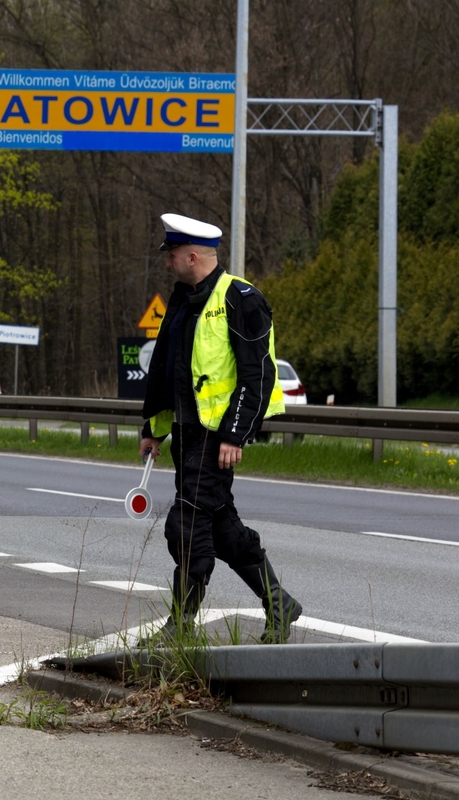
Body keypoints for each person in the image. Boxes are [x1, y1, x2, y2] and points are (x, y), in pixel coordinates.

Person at [138, 213, 302, 644]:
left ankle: (180, 626)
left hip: (215, 439)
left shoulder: (241, 299)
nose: (168, 261)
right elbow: (167, 372)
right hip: (187, 436)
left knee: (187, 525)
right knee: (223, 530)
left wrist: (234, 433)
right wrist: (153, 428)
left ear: (193, 256)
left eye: (172, 254)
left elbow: (257, 374)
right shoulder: (182, 300)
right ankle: (279, 603)